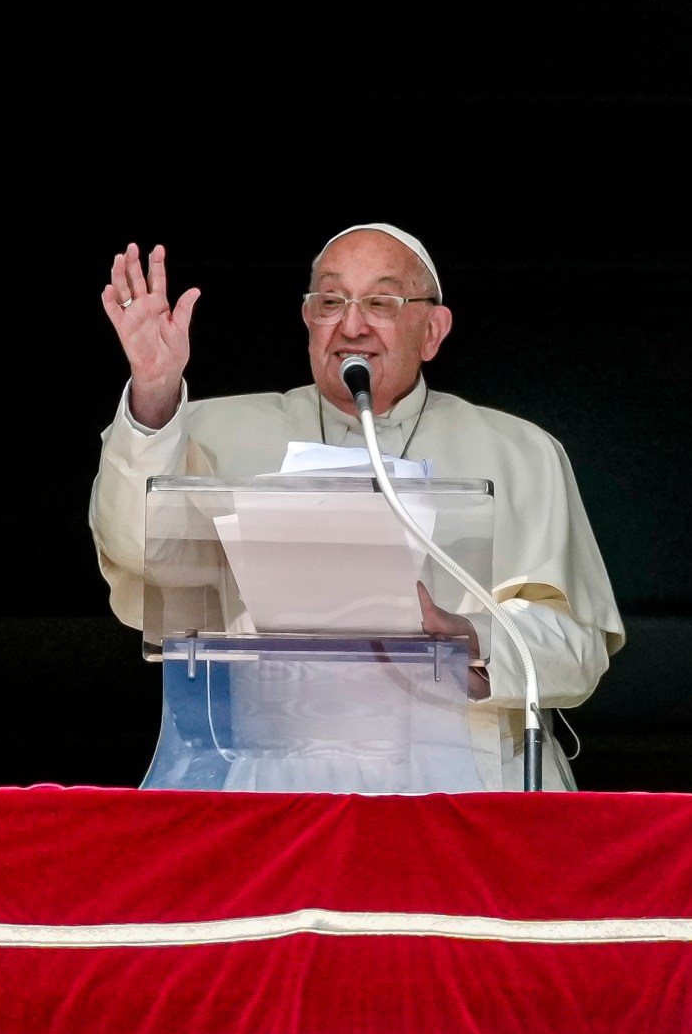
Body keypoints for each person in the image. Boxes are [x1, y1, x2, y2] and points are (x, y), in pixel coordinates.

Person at [90, 223, 623, 789]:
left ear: (433, 330)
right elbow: (135, 550)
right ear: (307, 319)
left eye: (381, 301)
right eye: (330, 300)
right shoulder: (208, 430)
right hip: (275, 777)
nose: (351, 324)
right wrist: (153, 390)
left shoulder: (521, 451)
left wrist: (474, 637)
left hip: (464, 779)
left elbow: (578, 652)